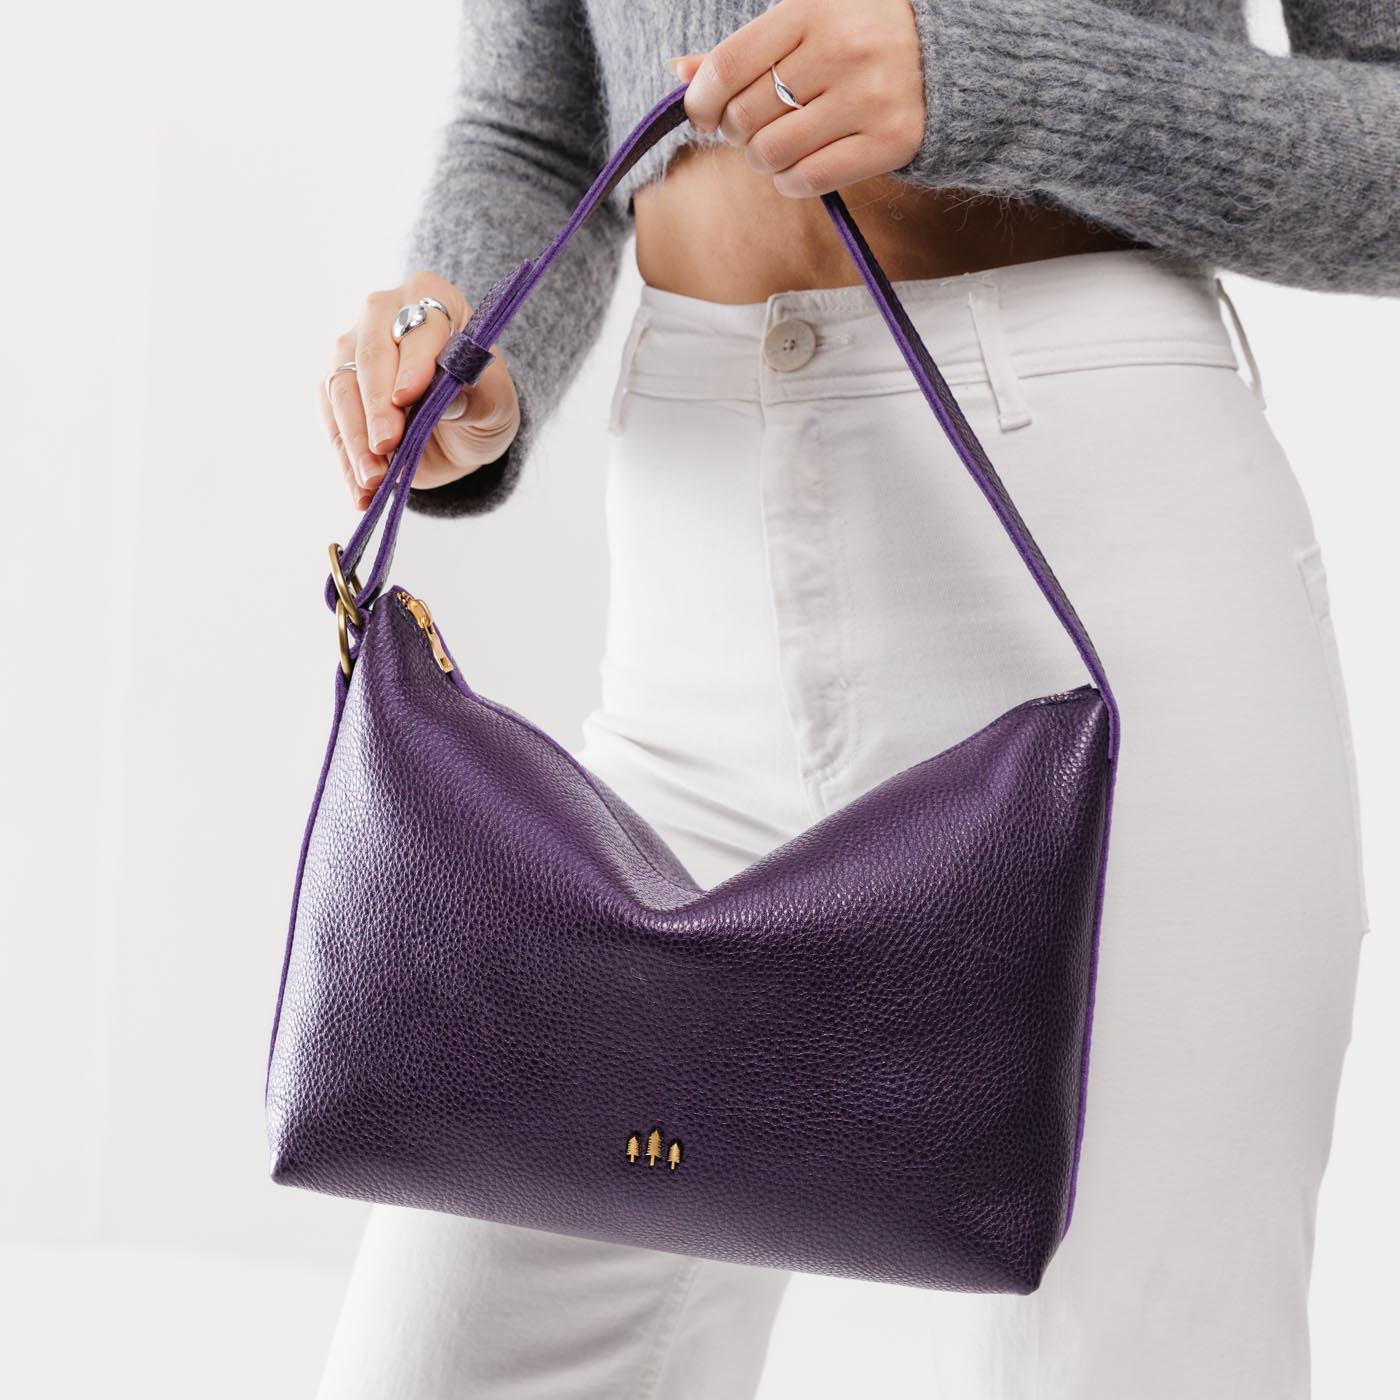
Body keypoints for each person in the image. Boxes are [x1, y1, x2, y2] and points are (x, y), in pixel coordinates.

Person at [315, 2, 1396, 1396]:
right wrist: (467, 333)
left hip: (1108, 585)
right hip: (694, 617)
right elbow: (533, 130)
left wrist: (979, 79)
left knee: (1145, 1358)